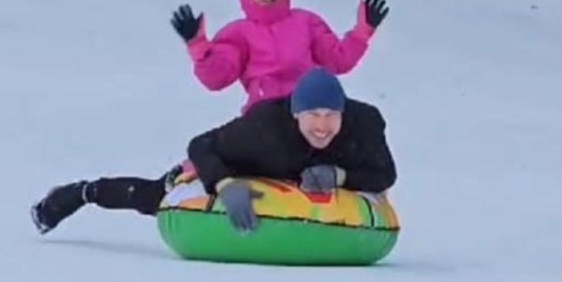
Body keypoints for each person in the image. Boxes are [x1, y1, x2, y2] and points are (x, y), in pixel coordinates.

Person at [30, 69, 397, 234]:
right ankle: (81, 193)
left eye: (331, 115)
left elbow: (384, 174)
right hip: (226, 167)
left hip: (285, 188)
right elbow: (200, 145)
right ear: (296, 113)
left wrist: (341, 176)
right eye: (313, 115)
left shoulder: (363, 124)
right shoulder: (265, 127)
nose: (322, 126)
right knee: (154, 197)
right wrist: (223, 185)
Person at [170, 0, 389, 115]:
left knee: (363, 118)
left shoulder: (305, 22)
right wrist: (199, 47)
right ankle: (195, 169)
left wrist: (363, 32)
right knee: (222, 144)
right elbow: (217, 78)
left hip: (309, 109)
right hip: (265, 113)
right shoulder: (239, 34)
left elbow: (338, 61)